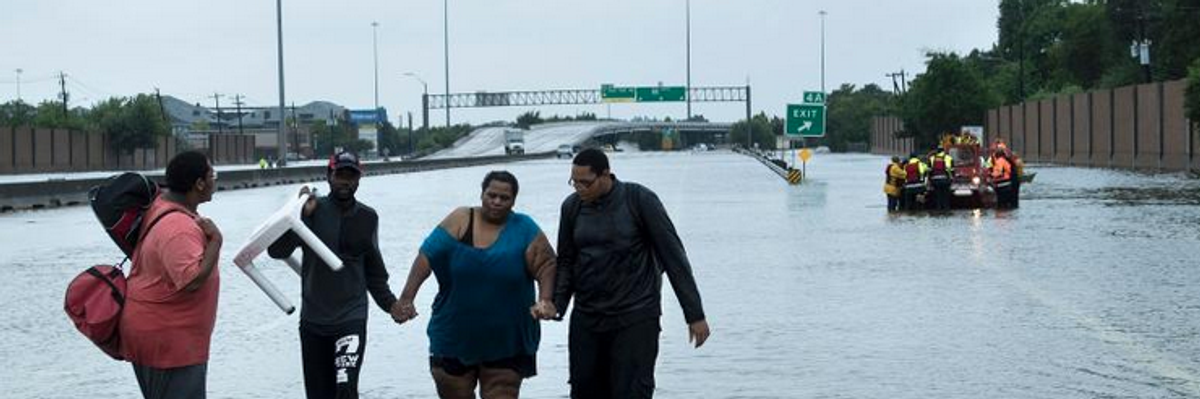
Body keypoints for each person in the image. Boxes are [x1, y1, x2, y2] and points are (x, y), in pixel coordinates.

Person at [554, 148, 710, 399]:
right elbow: (566, 261)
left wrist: (694, 314)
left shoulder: (639, 200)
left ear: (606, 175)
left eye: (586, 182)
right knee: (584, 390)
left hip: (636, 314)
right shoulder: (572, 207)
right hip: (588, 316)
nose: (579, 188)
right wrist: (556, 304)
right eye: (574, 182)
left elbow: (674, 257)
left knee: (632, 391)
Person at [393, 171, 557, 399]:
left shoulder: (524, 228)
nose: (497, 202)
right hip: (454, 337)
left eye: (504, 198)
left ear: (514, 201)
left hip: (507, 339)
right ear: (481, 194)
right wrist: (406, 298)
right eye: (491, 195)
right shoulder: (460, 219)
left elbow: (546, 264)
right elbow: (426, 257)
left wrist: (546, 300)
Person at [268, 151, 402, 399]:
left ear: (359, 180)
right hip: (314, 320)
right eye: (340, 175)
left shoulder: (368, 217)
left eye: (351, 176)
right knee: (319, 394)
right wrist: (299, 216)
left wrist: (391, 305)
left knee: (345, 388)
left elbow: (373, 272)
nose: (345, 181)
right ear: (329, 176)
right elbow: (276, 251)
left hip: (351, 315)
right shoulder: (312, 210)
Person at [119, 150, 222, 399]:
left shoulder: (162, 207)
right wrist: (216, 242)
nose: (215, 180)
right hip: (169, 343)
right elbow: (191, 280)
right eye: (212, 175)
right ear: (199, 183)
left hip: (164, 337)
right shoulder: (178, 227)